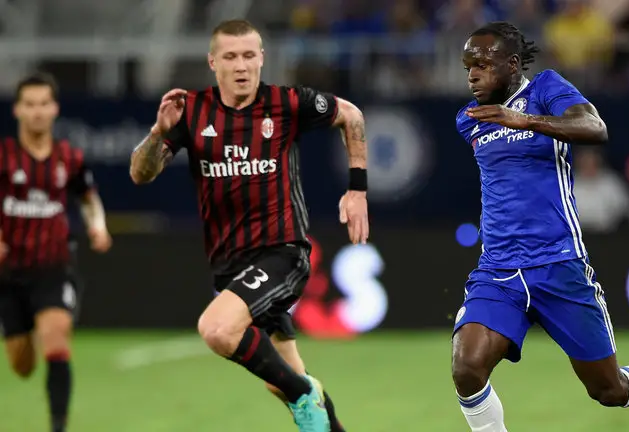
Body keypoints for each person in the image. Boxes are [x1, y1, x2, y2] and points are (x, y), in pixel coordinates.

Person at [451, 22, 629, 432]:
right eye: (469, 66)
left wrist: (524, 121)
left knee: (608, 389)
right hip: (499, 269)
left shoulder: (546, 89)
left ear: (513, 64)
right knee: (467, 368)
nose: (472, 74)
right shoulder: (469, 120)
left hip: (559, 264)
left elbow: (595, 128)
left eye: (482, 65)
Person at [129, 19, 368, 432]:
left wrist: (357, 190)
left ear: (262, 58)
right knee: (284, 380)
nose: (241, 66)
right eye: (230, 57)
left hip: (282, 253)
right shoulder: (191, 111)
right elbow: (141, 173)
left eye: (248, 55)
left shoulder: (286, 102)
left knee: (217, 329)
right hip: (230, 265)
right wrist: (157, 133)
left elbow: (351, 114)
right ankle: (305, 396)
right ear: (212, 62)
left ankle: (302, 393)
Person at [0, 73, 113, 432]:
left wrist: (98, 226)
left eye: (43, 104)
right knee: (22, 366)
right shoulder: (3, 157)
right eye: (29, 104)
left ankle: (58, 426)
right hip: (8, 273)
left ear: (55, 109)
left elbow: (88, 198)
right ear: (18, 110)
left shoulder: (69, 157)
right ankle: (28, 327)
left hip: (54, 267)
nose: (37, 111)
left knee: (56, 337)